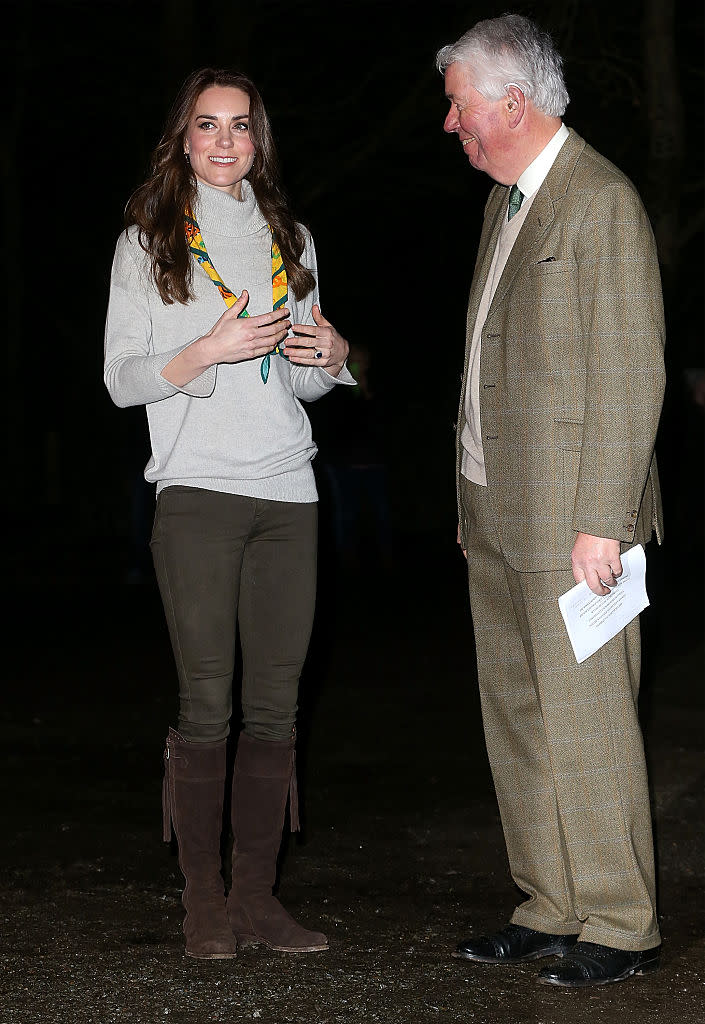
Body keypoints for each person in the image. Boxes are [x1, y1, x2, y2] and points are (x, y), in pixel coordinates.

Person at [104, 68, 354, 960]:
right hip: (197, 494)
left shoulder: (291, 236)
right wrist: (202, 348)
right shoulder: (148, 243)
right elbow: (122, 379)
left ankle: (256, 899)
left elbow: (298, 380)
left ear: (259, 140)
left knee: (277, 708)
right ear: (181, 137)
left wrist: (330, 354)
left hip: (288, 492)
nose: (222, 141)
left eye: (239, 126)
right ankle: (201, 901)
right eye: (205, 125)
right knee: (206, 703)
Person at [437, 15, 665, 988]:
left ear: (511, 104)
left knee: (589, 722)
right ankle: (552, 900)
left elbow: (631, 372)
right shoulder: (508, 203)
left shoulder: (597, 200)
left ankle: (620, 916)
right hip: (498, 509)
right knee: (521, 718)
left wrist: (601, 522)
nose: (451, 125)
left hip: (575, 521)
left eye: (458, 106)